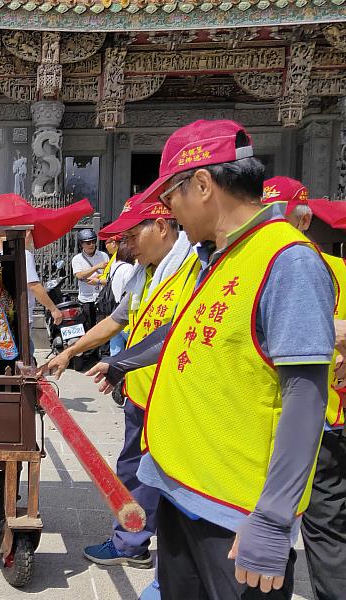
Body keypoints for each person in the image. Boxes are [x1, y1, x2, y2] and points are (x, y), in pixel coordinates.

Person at [88, 120, 335, 599]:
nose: (171, 213)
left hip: (234, 515)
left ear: (203, 185)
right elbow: (181, 333)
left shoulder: (287, 261)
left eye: (173, 196)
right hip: (182, 492)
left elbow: (305, 395)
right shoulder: (215, 258)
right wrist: (122, 364)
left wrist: (273, 516)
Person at [41, 197, 197, 572]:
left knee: (166, 477)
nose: (124, 246)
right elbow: (115, 321)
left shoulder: (194, 271)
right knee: (132, 470)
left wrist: (117, 362)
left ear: (161, 228)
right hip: (141, 395)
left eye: (130, 236)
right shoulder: (147, 274)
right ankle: (135, 541)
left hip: (174, 397)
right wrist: (69, 352)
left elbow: (172, 335)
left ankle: (142, 546)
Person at [262, 176, 346, 600]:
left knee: (316, 527)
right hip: (310, 418)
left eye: (279, 218)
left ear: (305, 217)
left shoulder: (315, 270)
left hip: (316, 423)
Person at [93, 234, 135, 356]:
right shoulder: (128, 268)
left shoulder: (115, 266)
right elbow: (131, 289)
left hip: (114, 309)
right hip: (125, 312)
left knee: (115, 348)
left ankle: (113, 371)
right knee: (134, 344)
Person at [25, 231, 63, 357]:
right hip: (23, 314)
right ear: (27, 233)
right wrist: (53, 309)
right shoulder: (25, 254)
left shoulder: (1, 251)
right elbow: (34, 286)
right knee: (26, 353)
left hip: (8, 314)